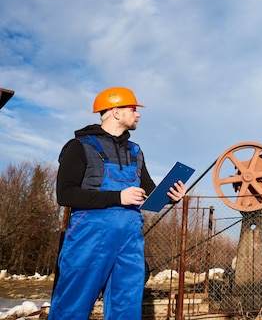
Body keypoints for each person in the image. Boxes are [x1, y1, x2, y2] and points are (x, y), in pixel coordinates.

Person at [49, 86, 186, 320]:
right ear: (115, 112)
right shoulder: (80, 146)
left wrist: (170, 196)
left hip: (130, 240)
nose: (138, 114)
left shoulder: (135, 151)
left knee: (127, 307)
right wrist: (118, 197)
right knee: (73, 305)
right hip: (89, 236)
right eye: (133, 109)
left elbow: (149, 191)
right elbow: (65, 194)